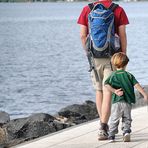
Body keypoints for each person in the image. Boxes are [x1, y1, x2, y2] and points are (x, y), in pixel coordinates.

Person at [77, 0, 129, 140]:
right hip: (112, 56)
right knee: (108, 90)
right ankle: (104, 126)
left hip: (94, 57)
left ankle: (102, 126)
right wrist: (123, 55)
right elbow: (122, 35)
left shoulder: (87, 9)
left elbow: (82, 35)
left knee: (99, 90)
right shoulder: (117, 9)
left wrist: (88, 52)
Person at [105, 52, 148, 142]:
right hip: (127, 102)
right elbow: (137, 86)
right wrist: (144, 94)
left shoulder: (112, 75)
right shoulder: (129, 75)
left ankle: (111, 135)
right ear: (126, 64)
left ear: (114, 63)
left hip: (116, 101)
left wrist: (114, 91)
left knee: (114, 118)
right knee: (127, 118)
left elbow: (106, 84)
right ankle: (126, 132)